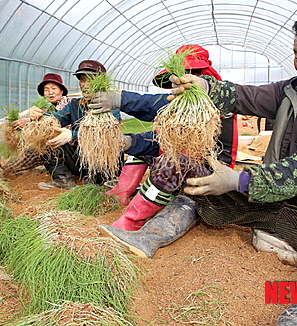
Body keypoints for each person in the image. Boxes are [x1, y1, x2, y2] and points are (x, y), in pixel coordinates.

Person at [98, 6, 297, 326]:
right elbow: (244, 95)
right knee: (201, 185)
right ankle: (148, 238)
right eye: (296, 55)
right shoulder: (291, 91)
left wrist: (240, 180)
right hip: (276, 201)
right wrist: (206, 88)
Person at [93, 44, 239, 231]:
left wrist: (121, 99)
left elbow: (152, 104)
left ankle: (131, 221)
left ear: (203, 76)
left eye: (192, 74)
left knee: (172, 161)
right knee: (142, 150)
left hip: (211, 178)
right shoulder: (178, 105)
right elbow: (161, 138)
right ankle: (120, 194)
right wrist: (130, 142)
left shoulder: (215, 105)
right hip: (179, 170)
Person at [30, 61, 122, 189]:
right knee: (45, 138)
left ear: (102, 82)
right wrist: (39, 116)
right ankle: (63, 180)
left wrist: (72, 135)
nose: (86, 84)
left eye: (91, 79)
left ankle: (99, 179)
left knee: (101, 149)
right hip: (79, 159)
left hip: (104, 163)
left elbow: (105, 136)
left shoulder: (110, 106)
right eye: (83, 79)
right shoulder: (75, 104)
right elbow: (55, 119)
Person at [0, 73, 73, 178]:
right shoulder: (48, 109)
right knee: (37, 148)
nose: (50, 92)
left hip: (71, 147)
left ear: (62, 91)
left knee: (41, 149)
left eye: (53, 88)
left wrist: (29, 120)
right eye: (46, 90)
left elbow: (54, 121)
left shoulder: (67, 103)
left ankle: (4, 170)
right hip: (62, 148)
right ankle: (6, 169)